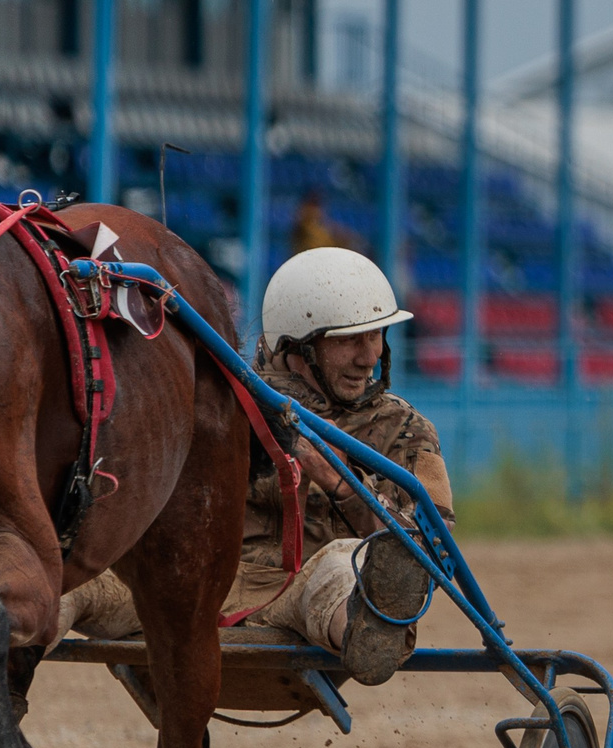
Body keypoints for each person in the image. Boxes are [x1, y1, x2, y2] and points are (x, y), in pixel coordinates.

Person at [56, 248, 446, 685]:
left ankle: (372, 630)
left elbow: (435, 548)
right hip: (187, 583)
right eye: (349, 339)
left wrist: (337, 482)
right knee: (72, 570)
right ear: (299, 344)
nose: (369, 355)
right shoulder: (220, 398)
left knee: (343, 565)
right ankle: (8, 620)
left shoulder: (404, 428)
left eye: (376, 335)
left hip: (304, 590)